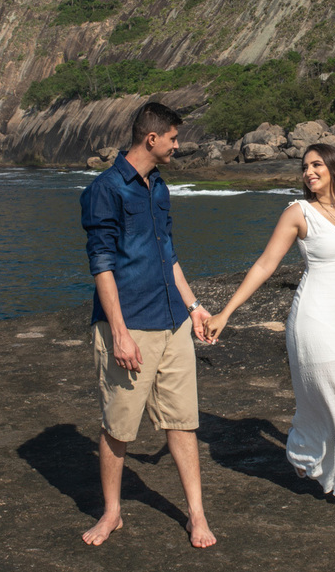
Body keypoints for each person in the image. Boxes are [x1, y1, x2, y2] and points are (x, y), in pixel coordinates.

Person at [205, 142, 335, 520]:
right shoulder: (299, 213)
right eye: (305, 167)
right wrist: (226, 312)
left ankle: (304, 450)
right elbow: (265, 264)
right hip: (316, 320)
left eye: (316, 165)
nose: (308, 172)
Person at [79, 101, 216, 548]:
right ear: (151, 138)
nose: (178, 145)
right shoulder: (105, 189)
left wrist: (193, 306)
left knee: (183, 421)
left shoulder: (157, 185)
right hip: (130, 325)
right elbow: (101, 265)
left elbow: (167, 253)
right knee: (119, 426)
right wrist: (118, 333)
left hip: (172, 321)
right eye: (173, 138)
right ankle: (112, 512)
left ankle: (197, 515)